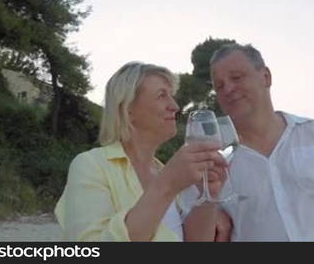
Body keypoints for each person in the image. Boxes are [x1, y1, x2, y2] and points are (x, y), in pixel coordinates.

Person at [208, 43, 314, 241]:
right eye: (219, 85)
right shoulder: (210, 156)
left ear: (266, 77)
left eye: (236, 78)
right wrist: (211, 214)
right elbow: (189, 222)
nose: (228, 88)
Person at [55, 61, 230, 241]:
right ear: (128, 109)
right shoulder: (91, 165)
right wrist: (167, 185)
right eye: (162, 95)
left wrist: (209, 196)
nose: (175, 106)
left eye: (171, 95)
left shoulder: (166, 172)